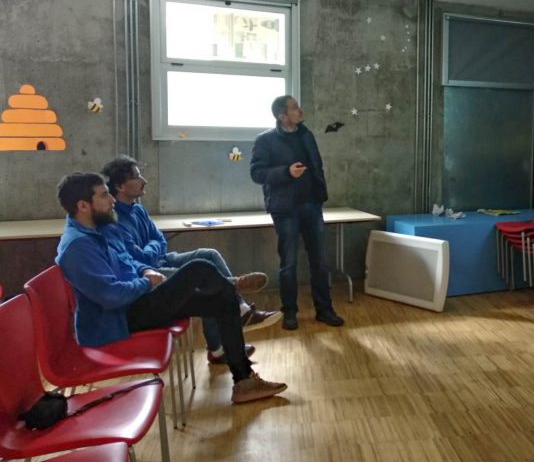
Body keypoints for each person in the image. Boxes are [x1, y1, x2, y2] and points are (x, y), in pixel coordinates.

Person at [55, 172, 287, 403]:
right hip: (117, 319)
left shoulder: (101, 227)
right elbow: (112, 296)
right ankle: (233, 287)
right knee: (199, 268)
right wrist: (147, 282)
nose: (112, 199)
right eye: (105, 195)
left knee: (221, 301)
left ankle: (244, 381)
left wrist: (145, 270)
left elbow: (128, 261)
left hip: (136, 301)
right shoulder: (77, 247)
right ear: (83, 205)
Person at [100, 155, 283, 365]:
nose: (144, 180)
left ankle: (237, 311)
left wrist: (152, 247)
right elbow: (139, 258)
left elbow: (160, 240)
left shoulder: (138, 209)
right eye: (137, 176)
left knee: (209, 255)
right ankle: (224, 335)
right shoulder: (113, 219)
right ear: (120, 186)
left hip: (162, 260)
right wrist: (153, 248)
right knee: (203, 280)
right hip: (146, 274)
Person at [250, 95, 344, 330]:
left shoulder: (306, 134)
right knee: (289, 263)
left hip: (312, 205)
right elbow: (256, 173)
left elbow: (316, 165)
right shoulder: (265, 140)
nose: (299, 110)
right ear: (282, 116)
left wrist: (320, 192)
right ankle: (290, 312)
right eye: (294, 107)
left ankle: (324, 310)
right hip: (285, 209)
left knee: (320, 262)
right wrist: (286, 172)